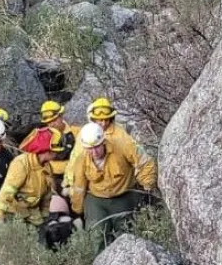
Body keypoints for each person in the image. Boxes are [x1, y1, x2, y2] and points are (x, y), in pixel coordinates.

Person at [70, 121, 157, 251]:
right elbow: (79, 187)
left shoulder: (123, 145)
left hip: (123, 195)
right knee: (98, 236)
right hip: (96, 199)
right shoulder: (81, 159)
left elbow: (146, 163)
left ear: (103, 142)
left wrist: (147, 186)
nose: (94, 152)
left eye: (97, 147)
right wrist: (77, 210)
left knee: (126, 233)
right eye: (89, 148)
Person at [0, 127, 63, 244]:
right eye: (55, 150)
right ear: (46, 150)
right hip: (13, 214)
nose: (57, 153)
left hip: (33, 214)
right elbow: (7, 192)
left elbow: (46, 196)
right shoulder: (21, 164)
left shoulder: (46, 167)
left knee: (41, 246)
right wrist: (0, 215)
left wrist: (46, 217)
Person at [63, 97, 139, 195]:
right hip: (92, 186)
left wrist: (146, 185)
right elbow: (75, 157)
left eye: (106, 120)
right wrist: (68, 181)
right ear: (93, 118)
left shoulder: (121, 136)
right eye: (100, 120)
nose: (103, 123)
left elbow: (139, 159)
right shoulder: (86, 133)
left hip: (119, 188)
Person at [21, 101, 79, 185]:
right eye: (48, 122)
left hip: (73, 176)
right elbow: (25, 150)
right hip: (48, 177)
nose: (52, 124)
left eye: (54, 120)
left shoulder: (77, 132)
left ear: (61, 116)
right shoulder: (40, 135)